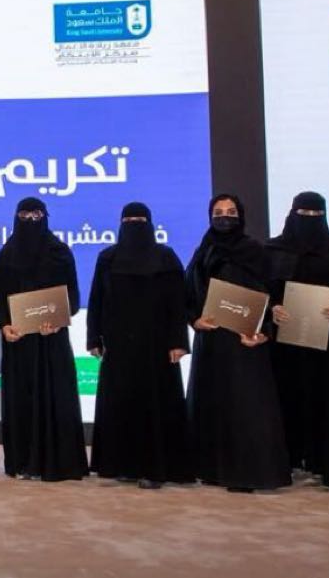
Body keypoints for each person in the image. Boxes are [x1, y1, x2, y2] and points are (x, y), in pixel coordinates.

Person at [186, 194, 290, 492]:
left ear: (241, 216)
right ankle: (212, 469)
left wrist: (265, 331)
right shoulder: (203, 251)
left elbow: (274, 296)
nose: (224, 217)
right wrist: (194, 320)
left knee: (247, 407)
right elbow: (189, 292)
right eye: (218, 212)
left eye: (231, 212)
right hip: (212, 340)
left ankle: (249, 473)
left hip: (247, 342)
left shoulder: (256, 251)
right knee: (213, 403)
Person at [87, 202, 192, 489]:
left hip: (157, 346)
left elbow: (177, 302)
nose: (134, 225)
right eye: (129, 220)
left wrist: (178, 341)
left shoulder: (166, 257)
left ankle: (155, 469)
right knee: (120, 404)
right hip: (118, 345)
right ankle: (122, 465)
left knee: (155, 407)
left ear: (150, 223)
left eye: (140, 220)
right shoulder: (107, 258)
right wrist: (93, 338)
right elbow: (97, 300)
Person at [0, 197, 86, 481]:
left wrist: (57, 320)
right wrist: (4, 325)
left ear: (45, 217)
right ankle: (21, 462)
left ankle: (57, 462)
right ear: (15, 217)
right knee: (21, 400)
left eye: (36, 214)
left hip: (51, 341)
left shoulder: (60, 252)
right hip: (18, 342)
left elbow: (73, 297)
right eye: (24, 215)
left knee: (55, 398)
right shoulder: (7, 254)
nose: (30, 220)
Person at [265, 192, 329, 484]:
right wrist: (272, 307)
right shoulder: (272, 249)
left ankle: (323, 459)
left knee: (326, 396)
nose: (310, 220)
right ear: (292, 214)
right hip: (284, 340)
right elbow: (262, 288)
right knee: (286, 394)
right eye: (304, 214)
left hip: (327, 339)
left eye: (316, 215)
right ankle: (288, 457)